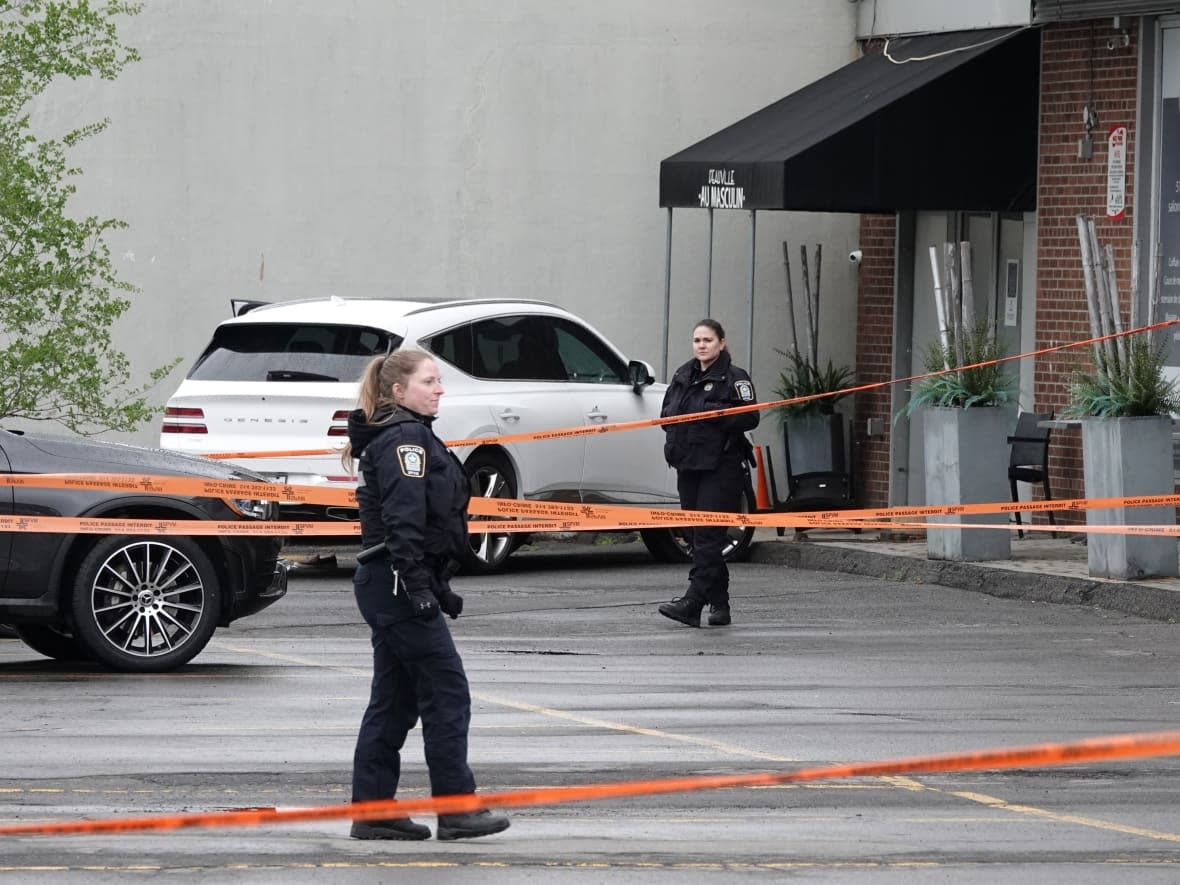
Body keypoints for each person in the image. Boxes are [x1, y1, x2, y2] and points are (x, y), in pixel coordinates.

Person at [342, 349, 510, 842]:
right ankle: (456, 809)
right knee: (447, 692)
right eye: (429, 381)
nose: (439, 389)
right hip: (394, 585)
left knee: (394, 702)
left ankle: (373, 812)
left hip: (390, 584)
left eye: (439, 381)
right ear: (399, 392)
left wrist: (437, 587)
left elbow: (423, 523)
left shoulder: (411, 435)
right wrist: (419, 589)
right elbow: (403, 521)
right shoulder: (405, 440)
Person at [658, 319, 759, 628]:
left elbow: (751, 416)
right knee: (696, 535)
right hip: (688, 464)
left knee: (707, 535)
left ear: (721, 343)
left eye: (708, 340)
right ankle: (720, 603)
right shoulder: (682, 375)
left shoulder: (735, 378)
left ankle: (693, 602)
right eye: (697, 340)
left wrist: (715, 417)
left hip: (721, 466)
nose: (701, 345)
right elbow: (666, 415)